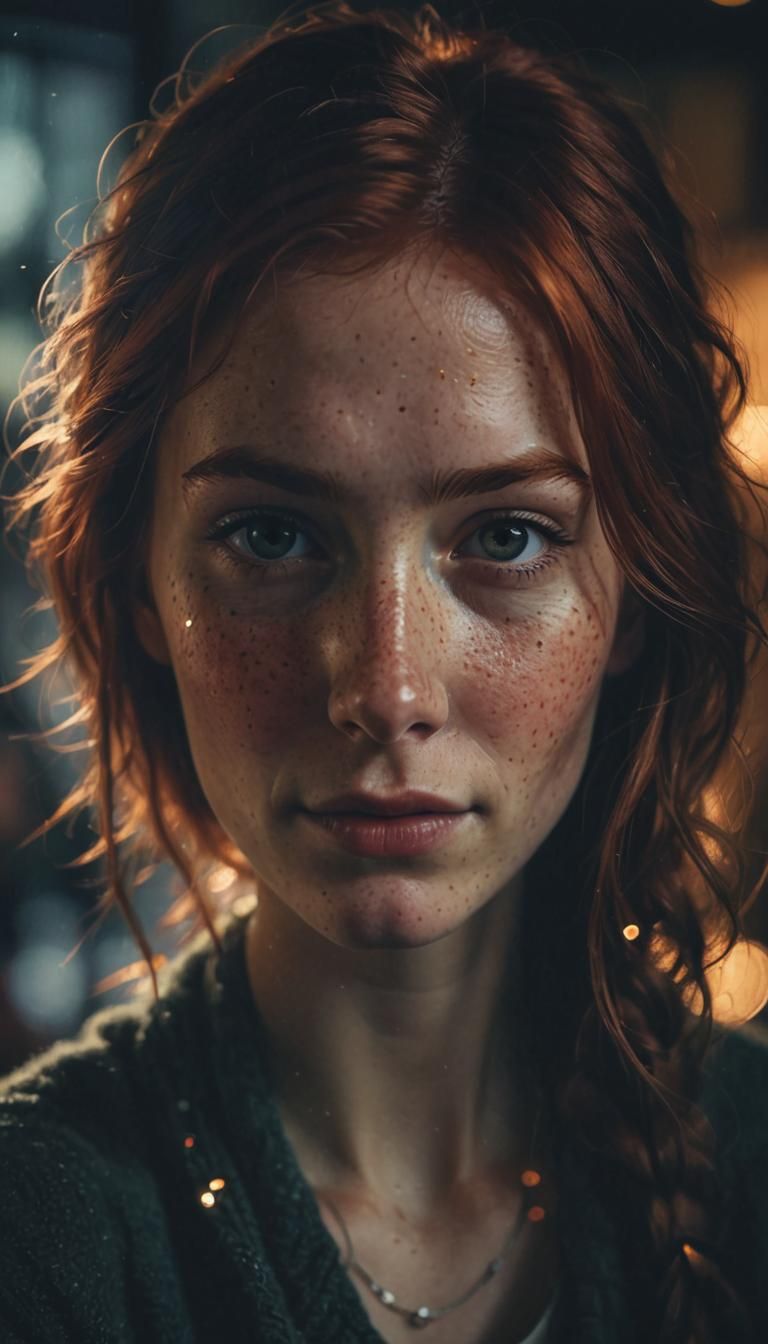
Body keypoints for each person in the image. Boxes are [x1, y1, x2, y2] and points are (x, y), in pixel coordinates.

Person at [1, 3, 767, 1341]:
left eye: (505, 537)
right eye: (273, 535)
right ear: (137, 584)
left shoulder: (747, 1163)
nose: (388, 687)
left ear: (637, 596)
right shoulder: (44, 1241)